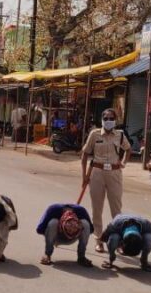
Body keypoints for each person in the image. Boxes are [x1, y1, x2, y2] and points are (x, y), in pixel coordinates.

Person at [82, 109, 131, 252]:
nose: (108, 120)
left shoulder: (120, 135)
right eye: (105, 117)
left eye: (111, 118)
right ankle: (99, 240)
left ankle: (118, 241)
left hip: (115, 173)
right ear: (102, 119)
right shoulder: (94, 134)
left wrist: (124, 162)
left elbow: (128, 150)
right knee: (97, 209)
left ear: (115, 120)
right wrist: (84, 176)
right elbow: (85, 154)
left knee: (116, 209)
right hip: (97, 172)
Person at [36, 203, 93, 267]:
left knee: (85, 224)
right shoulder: (53, 210)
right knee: (53, 222)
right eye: (70, 229)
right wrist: (51, 235)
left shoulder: (81, 211)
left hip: (74, 236)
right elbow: (40, 229)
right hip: (56, 236)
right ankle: (47, 254)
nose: (71, 230)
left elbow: (90, 230)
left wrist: (77, 228)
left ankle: (81, 257)